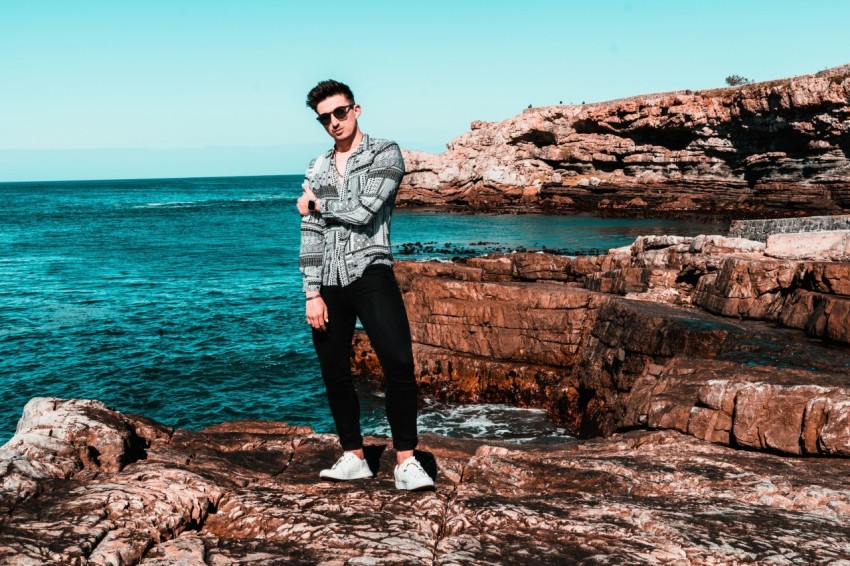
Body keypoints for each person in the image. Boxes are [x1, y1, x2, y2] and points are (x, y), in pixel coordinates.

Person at [296, 79, 434, 491]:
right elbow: (310, 232)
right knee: (334, 371)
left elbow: (365, 210)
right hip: (329, 281)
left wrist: (318, 204)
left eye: (340, 112)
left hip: (371, 271)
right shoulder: (317, 167)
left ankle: (406, 461)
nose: (334, 123)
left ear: (356, 110)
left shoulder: (385, 153)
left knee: (398, 365)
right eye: (325, 118)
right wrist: (311, 291)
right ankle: (354, 455)